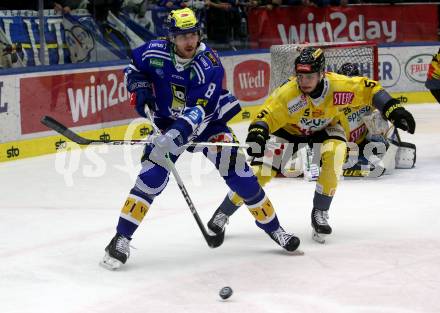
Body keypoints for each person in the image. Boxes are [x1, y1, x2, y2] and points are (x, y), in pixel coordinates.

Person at [100, 8, 300, 270]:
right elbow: (134, 69)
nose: (189, 41)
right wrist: (139, 88)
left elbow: (200, 110)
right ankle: (121, 238)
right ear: (171, 37)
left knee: (243, 178)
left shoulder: (209, 64)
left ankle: (275, 229)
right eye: (182, 36)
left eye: (192, 34)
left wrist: (174, 136)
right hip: (165, 121)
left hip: (208, 124)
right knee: (151, 178)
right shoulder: (154, 51)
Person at [207, 47, 416, 244]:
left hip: (326, 128)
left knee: (335, 154)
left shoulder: (338, 86)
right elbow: (266, 115)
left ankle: (320, 212)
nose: (304, 81)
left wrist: (392, 109)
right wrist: (258, 133)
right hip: (289, 131)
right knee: (260, 172)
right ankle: (223, 212)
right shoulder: (289, 94)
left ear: (322, 73)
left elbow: (370, 89)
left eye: (309, 76)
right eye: (300, 76)